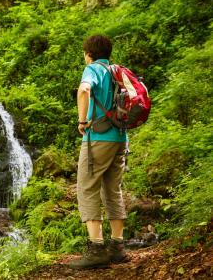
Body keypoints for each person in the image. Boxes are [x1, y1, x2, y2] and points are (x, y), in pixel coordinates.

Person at [68, 34, 129, 270]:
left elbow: (84, 91)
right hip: (120, 137)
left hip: (99, 138)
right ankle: (117, 247)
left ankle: (96, 249)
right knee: (113, 190)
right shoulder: (116, 70)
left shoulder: (92, 69)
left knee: (87, 186)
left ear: (88, 54)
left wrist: (82, 121)